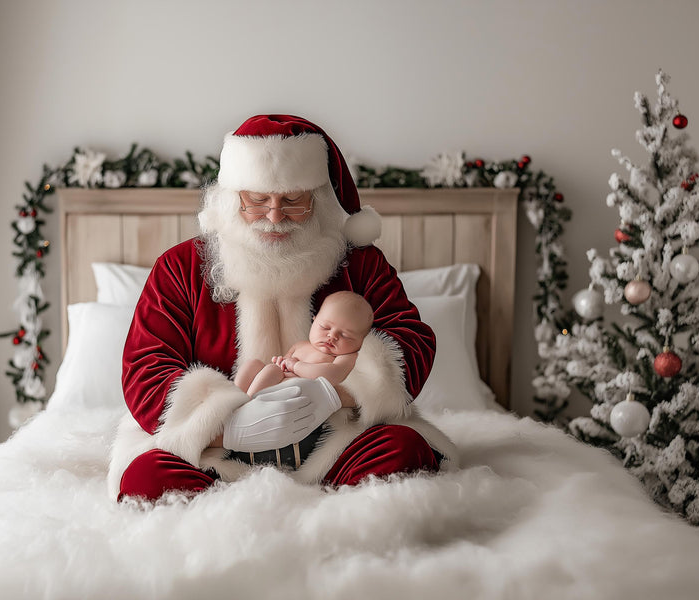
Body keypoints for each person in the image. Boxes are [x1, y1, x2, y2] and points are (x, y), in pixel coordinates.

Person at [108, 114, 458, 501]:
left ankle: (327, 504)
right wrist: (229, 428)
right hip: (218, 453)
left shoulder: (358, 262)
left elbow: (409, 338)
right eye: (257, 201)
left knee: (403, 452)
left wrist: (334, 394)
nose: (275, 217)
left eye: (293, 201)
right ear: (232, 197)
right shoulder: (180, 267)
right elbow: (146, 367)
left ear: (318, 198)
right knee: (147, 479)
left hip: (333, 443)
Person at [235, 291, 373, 396]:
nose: (332, 336)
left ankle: (247, 406)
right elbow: (283, 366)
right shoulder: (300, 345)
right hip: (276, 384)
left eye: (345, 335)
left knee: (272, 370)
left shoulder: (346, 357)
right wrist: (281, 362)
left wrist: (296, 366)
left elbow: (332, 375)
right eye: (325, 327)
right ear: (314, 320)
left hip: (295, 395)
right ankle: (235, 400)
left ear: (361, 342)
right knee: (253, 364)